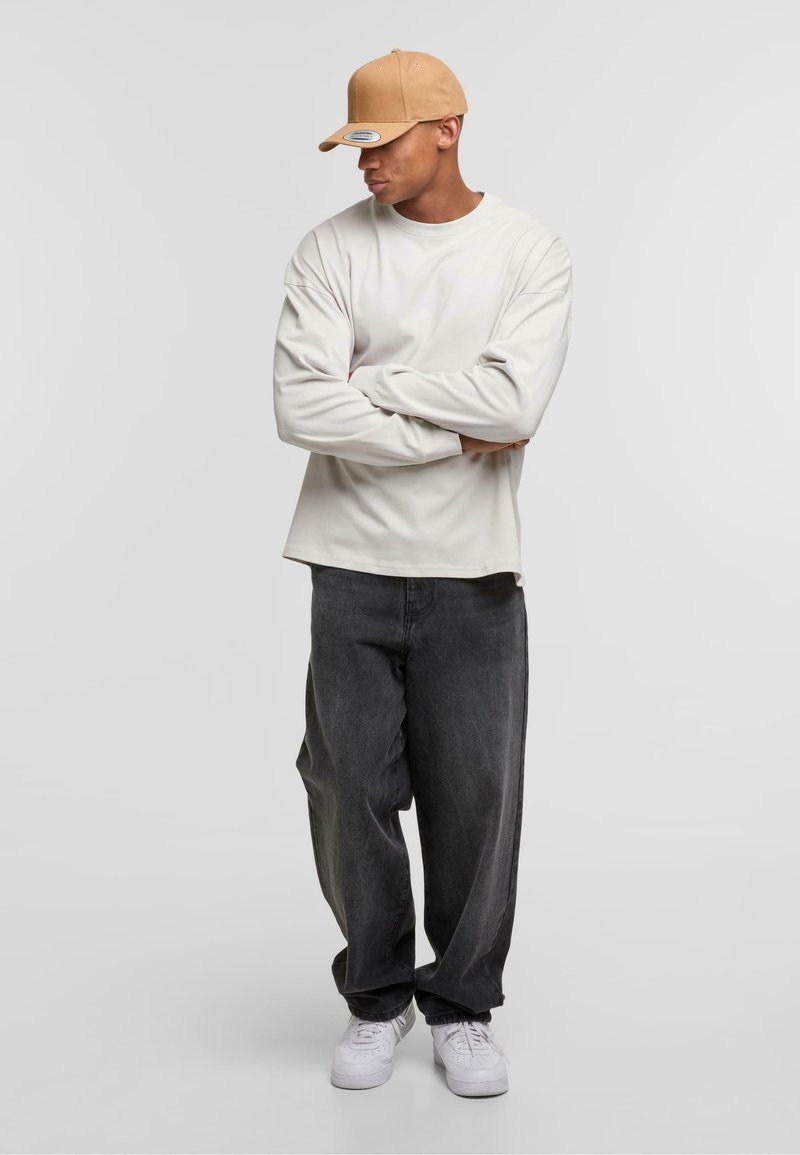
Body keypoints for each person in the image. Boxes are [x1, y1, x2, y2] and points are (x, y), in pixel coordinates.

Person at [272, 48, 573, 1097]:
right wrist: (452, 426)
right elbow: (299, 406)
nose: (364, 162)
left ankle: (461, 1005)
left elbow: (515, 404)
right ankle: (375, 996)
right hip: (347, 564)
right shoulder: (329, 250)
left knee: (475, 800)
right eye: (353, 144)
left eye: (382, 142)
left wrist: (372, 385)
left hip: (473, 570)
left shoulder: (527, 251)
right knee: (345, 785)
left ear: (446, 129)